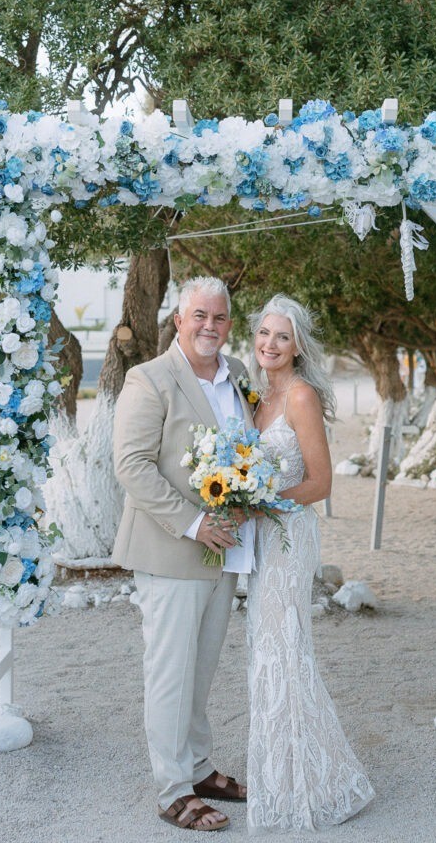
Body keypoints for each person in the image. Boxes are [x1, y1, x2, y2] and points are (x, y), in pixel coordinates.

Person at [112, 276, 254, 832]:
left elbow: (249, 453)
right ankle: (173, 791)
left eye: (219, 318)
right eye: (199, 316)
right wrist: (195, 523)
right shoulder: (149, 379)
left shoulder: (238, 375)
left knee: (202, 668)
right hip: (172, 548)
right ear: (179, 320)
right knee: (170, 672)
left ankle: (198, 768)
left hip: (227, 551)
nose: (209, 327)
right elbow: (132, 466)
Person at [246, 294, 375, 833]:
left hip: (288, 537)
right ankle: (280, 777)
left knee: (285, 648)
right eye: (264, 334)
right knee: (266, 649)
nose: (270, 344)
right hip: (258, 539)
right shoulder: (256, 397)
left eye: (282, 336)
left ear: (298, 346)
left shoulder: (298, 396)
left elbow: (321, 483)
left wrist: (264, 502)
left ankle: (315, 784)